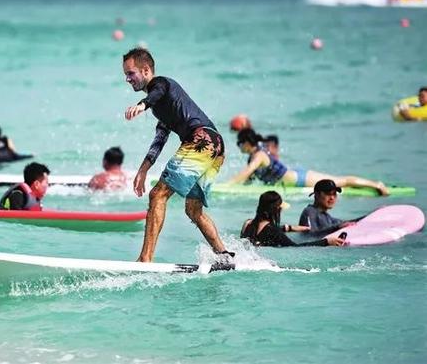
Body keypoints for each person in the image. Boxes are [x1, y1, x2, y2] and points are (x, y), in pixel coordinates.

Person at [122, 47, 233, 262]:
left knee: (157, 195)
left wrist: (142, 104)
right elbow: (160, 138)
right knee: (193, 210)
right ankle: (225, 255)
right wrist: (143, 170)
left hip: (201, 140)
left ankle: (145, 259)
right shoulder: (162, 107)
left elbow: (156, 93)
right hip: (216, 146)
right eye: (125, 75)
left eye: (130, 73)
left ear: (146, 70)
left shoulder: (161, 84)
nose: (127, 79)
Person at [229, 128, 389, 195]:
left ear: (246, 143)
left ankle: (377, 185)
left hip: (299, 179)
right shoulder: (254, 156)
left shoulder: (259, 156)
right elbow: (248, 180)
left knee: (341, 182)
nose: (238, 147)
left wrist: (227, 185)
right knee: (339, 181)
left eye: (239, 143)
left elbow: (246, 173)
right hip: (293, 178)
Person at [241, 191, 345, 247]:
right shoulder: (273, 231)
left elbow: (262, 233)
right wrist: (326, 242)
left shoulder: (247, 224)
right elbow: (296, 247)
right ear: (276, 210)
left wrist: (289, 228)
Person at [299, 179, 363, 235]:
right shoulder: (309, 212)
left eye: (334, 194)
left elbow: (344, 223)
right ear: (317, 194)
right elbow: (309, 235)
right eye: (328, 194)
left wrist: (368, 216)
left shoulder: (327, 217)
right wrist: (337, 228)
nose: (332, 198)